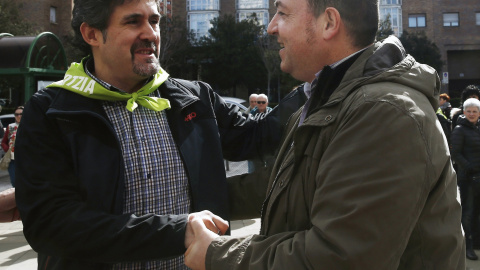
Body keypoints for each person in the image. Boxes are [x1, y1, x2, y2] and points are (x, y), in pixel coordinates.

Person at [184, 0, 465, 269]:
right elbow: (284, 186)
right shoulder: (328, 100)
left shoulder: (384, 112)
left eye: (282, 13)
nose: (271, 27)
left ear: (329, 22)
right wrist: (190, 199)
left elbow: (338, 259)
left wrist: (215, 255)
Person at [14, 0, 282, 269]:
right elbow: (51, 225)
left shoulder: (195, 98)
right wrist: (179, 231)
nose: (151, 34)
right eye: (133, 22)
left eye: (154, 22)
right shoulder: (51, 112)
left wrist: (317, 82)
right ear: (91, 34)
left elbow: (260, 135)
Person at [451, 98, 480, 261]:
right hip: (467, 178)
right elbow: (456, 154)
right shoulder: (459, 130)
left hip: (479, 177)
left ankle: (476, 242)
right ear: (464, 112)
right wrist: (469, 168)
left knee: (477, 212)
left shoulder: (478, 128)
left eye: (474, 111)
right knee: (467, 213)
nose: (471, 114)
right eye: (468, 111)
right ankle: (467, 246)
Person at [1, 106, 23, 187]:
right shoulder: (11, 127)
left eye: (21, 114)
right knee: (14, 182)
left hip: (25, 159)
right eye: (17, 114)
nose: (19, 116)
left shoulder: (29, 126)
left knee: (23, 182)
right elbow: (3, 142)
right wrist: (8, 150)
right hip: (12, 160)